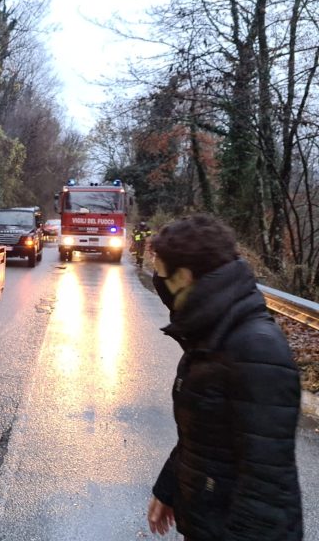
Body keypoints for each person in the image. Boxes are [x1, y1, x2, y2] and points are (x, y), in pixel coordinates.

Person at [147, 214, 302, 541]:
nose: (157, 283)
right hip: (206, 521)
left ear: (185, 278)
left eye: (161, 274)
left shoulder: (255, 349)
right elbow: (206, 435)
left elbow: (266, 488)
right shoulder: (212, 335)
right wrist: (169, 488)